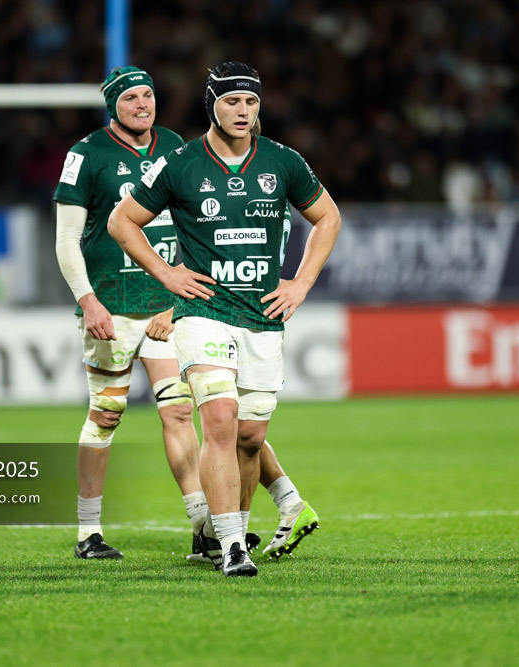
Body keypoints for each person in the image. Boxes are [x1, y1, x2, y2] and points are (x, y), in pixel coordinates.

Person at [108, 61, 341, 576]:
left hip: (262, 316)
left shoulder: (282, 161)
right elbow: (121, 221)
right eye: (232, 101)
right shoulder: (183, 163)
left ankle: (227, 526)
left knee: (250, 438)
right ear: (211, 103)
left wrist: (300, 283)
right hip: (204, 312)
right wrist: (168, 276)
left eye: (251, 102)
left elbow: (328, 216)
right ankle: (233, 546)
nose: (243, 111)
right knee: (218, 419)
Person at [54, 66, 206, 559]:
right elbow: (66, 241)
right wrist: (87, 299)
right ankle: (88, 532)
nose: (143, 105)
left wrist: (178, 296)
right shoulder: (86, 154)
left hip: (163, 306)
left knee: (180, 410)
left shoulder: (177, 147)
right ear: (112, 106)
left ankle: (203, 525)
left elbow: (194, 228)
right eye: (131, 98)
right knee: (106, 415)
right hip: (112, 309)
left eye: (148, 95)